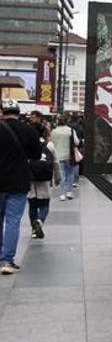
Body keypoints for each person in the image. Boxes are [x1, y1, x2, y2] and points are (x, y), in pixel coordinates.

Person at [0, 99, 42, 274]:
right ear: (18, 112)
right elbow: (37, 155)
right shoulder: (29, 130)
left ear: (2, 112)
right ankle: (7, 261)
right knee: (13, 221)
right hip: (18, 181)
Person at [28, 123, 60, 239]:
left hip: (31, 177)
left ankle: (34, 230)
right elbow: (55, 161)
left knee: (32, 204)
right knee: (44, 204)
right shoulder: (49, 145)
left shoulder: (27, 144)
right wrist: (57, 176)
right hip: (45, 178)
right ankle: (40, 223)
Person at [50, 115, 80, 201]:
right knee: (70, 174)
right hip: (69, 156)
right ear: (67, 121)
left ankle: (62, 194)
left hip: (58, 156)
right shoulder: (71, 130)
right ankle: (69, 192)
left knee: (62, 175)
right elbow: (76, 142)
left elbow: (51, 143)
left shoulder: (54, 131)